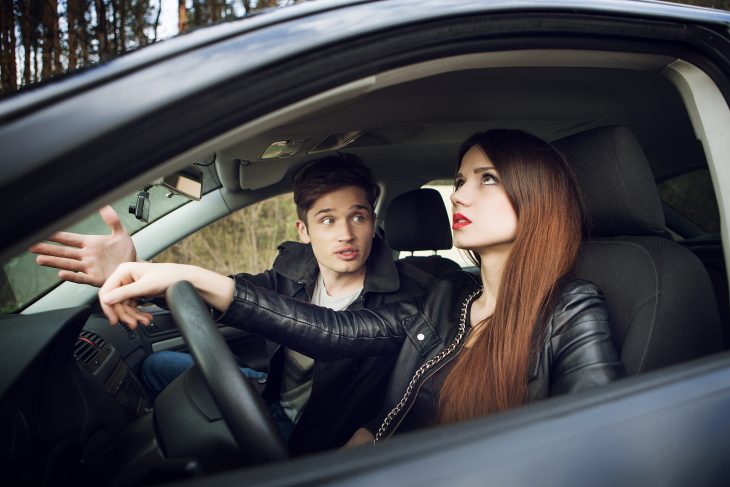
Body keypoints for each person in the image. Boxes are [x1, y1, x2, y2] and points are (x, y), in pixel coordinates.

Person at [97, 129, 625, 446]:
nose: (459, 196)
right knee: (161, 370)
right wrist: (376, 431)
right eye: (460, 180)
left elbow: (594, 447)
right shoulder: (454, 304)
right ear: (304, 231)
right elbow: (346, 341)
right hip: (352, 443)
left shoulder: (568, 310)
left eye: (485, 178)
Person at [31, 153, 434, 454]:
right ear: (304, 230)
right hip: (269, 396)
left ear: (371, 221)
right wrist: (138, 271)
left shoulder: (409, 297)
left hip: (317, 434)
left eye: (358, 216)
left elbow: (336, 337)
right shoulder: (293, 270)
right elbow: (233, 293)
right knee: (156, 366)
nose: (346, 233)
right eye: (327, 219)